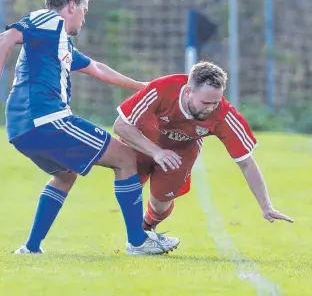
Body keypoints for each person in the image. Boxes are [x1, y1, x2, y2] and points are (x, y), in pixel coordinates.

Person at [0, 0, 179, 256]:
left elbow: (97, 68)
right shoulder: (48, 20)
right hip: (46, 119)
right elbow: (5, 38)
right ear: (71, 5)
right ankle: (138, 241)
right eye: (84, 10)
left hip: (22, 128)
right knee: (126, 158)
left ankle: (31, 247)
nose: (84, 18)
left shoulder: (61, 44)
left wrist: (144, 87)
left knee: (65, 175)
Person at [113, 61, 293, 232]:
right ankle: (137, 238)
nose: (211, 108)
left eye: (216, 102)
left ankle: (147, 227)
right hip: (144, 141)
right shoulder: (162, 89)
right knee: (131, 188)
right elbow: (120, 126)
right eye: (205, 103)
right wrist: (156, 151)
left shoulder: (223, 115)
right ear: (188, 91)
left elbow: (246, 163)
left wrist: (266, 206)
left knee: (160, 205)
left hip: (181, 153)